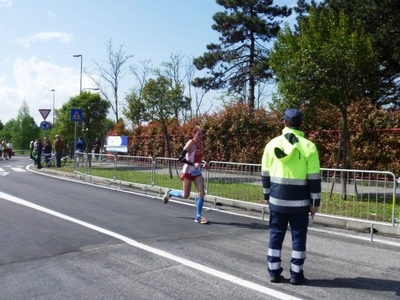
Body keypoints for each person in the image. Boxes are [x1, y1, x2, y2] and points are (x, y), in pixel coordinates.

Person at [261, 108, 321, 286]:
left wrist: (266, 195)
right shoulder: (309, 146)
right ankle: (296, 274)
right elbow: (314, 179)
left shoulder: (272, 144)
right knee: (298, 237)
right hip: (300, 203)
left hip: (277, 200)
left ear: (284, 122)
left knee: (276, 235)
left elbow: (265, 174)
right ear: (300, 124)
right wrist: (315, 202)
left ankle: (273, 271)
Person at [162, 126, 211, 224]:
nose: (201, 136)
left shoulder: (201, 145)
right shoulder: (190, 143)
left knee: (202, 192)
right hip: (188, 171)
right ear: (194, 134)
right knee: (185, 195)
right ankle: (170, 192)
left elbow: (198, 159)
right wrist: (193, 164)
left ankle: (198, 216)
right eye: (199, 134)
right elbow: (180, 158)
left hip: (197, 172)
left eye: (202, 134)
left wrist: (203, 165)